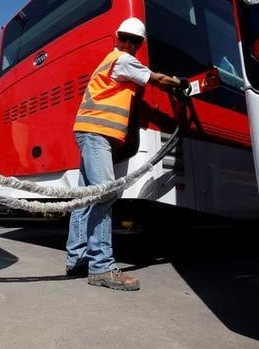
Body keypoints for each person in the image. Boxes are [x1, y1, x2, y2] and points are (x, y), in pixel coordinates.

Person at [65, 17, 187, 291]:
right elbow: (156, 79)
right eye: (126, 38)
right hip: (96, 133)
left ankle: (76, 260)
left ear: (140, 43)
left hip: (89, 131)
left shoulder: (114, 60)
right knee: (105, 196)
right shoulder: (122, 60)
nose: (130, 44)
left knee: (86, 198)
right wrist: (180, 82)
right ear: (117, 38)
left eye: (135, 41)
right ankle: (101, 267)